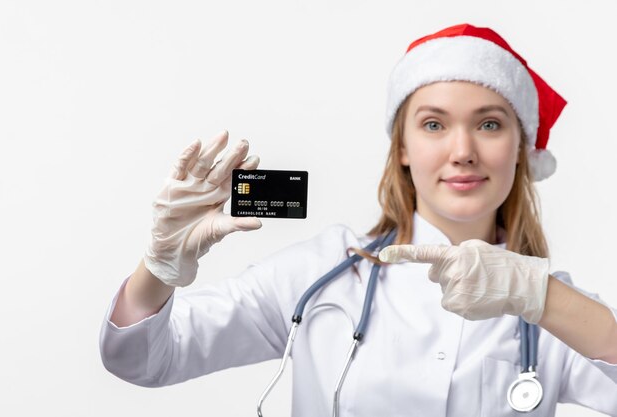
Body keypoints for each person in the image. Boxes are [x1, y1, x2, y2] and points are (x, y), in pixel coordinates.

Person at [99, 24, 617, 416]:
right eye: (434, 123)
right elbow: (144, 359)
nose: (463, 151)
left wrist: (539, 295)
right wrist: (160, 266)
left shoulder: (553, 310)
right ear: (404, 147)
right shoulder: (319, 274)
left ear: (522, 148)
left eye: (489, 123)